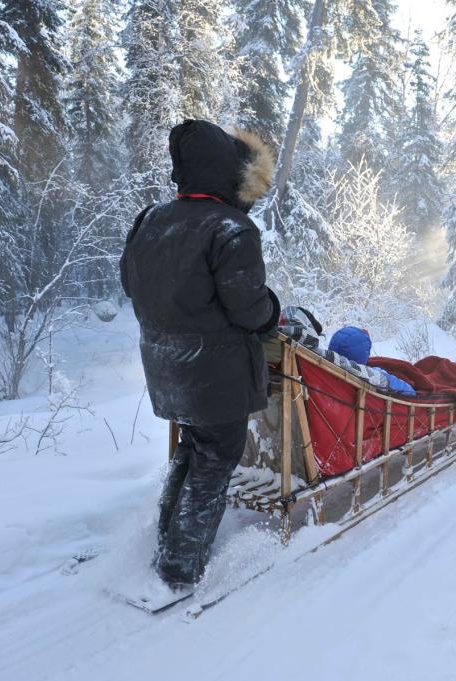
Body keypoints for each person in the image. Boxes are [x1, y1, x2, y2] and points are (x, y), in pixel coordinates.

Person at [120, 119, 280, 588]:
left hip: (165, 367)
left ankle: (166, 542)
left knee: (191, 449)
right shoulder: (232, 229)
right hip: (217, 374)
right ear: (229, 171)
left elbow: (132, 285)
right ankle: (180, 566)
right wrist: (273, 311)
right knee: (214, 461)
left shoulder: (150, 219)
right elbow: (249, 309)